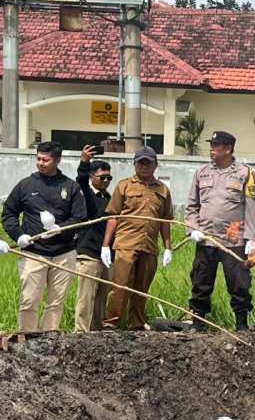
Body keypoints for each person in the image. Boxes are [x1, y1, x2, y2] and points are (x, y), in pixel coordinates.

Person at [1, 141, 87, 333]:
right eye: (38, 158)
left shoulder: (70, 187)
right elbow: (8, 213)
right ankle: (27, 337)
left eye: (45, 160)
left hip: (64, 253)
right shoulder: (26, 185)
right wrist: (19, 235)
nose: (40, 163)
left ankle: (50, 337)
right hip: (33, 252)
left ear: (57, 160)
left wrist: (60, 229)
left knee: (56, 302)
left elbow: (80, 217)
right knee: (29, 300)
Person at [185, 131, 255, 331]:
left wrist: (252, 239)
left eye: (215, 146)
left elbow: (252, 208)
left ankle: (241, 324)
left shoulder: (245, 173)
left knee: (239, 284)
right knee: (201, 282)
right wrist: (193, 229)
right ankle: (198, 322)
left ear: (228, 149)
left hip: (233, 240)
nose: (211, 149)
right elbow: (192, 205)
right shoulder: (201, 172)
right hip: (206, 238)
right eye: (211, 145)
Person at [101, 146, 174, 330]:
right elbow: (113, 216)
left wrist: (168, 247)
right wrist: (105, 245)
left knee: (142, 288)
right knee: (120, 286)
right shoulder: (124, 186)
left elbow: (165, 221)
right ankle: (111, 323)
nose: (144, 166)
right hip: (126, 244)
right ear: (134, 164)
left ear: (155, 165)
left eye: (148, 163)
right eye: (140, 163)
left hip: (149, 246)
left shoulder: (163, 190)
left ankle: (137, 324)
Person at [74, 144, 113, 332]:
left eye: (109, 178)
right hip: (89, 253)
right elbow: (81, 180)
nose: (105, 181)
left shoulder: (110, 199)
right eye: (102, 177)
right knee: (86, 296)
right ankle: (81, 331)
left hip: (106, 255)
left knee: (102, 296)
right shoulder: (87, 195)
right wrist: (84, 162)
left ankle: (96, 331)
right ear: (92, 177)